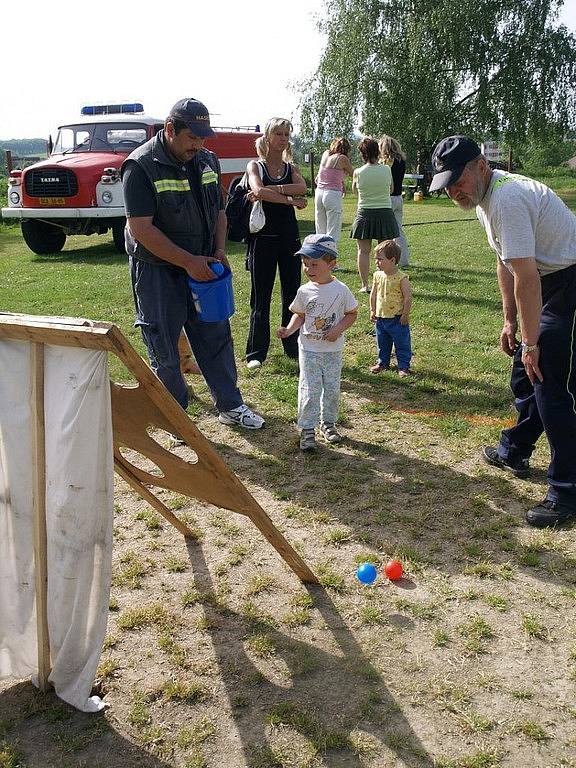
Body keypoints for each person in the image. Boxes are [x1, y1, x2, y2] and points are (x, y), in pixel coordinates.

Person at [429, 134, 576, 528]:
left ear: (481, 166)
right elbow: (505, 262)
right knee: (523, 375)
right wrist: (510, 321)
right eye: (447, 187)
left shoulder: (507, 199)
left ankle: (566, 491)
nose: (454, 193)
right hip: (545, 283)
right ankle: (516, 449)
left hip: (566, 285)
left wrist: (532, 343)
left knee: (549, 384)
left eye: (457, 182)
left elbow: (527, 276)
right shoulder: (484, 200)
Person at [121, 97, 264, 430]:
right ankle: (177, 421)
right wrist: (187, 261)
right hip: (157, 270)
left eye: (203, 138)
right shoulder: (139, 167)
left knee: (215, 335)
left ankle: (231, 406)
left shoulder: (206, 162)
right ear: (170, 129)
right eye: (192, 137)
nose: (199, 145)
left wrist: (218, 250)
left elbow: (218, 211)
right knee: (165, 348)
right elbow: (141, 229)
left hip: (203, 266)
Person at [277, 234, 358, 451]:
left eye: (314, 264)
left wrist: (338, 329)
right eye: (305, 264)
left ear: (332, 264)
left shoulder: (341, 290)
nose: (308, 269)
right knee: (310, 389)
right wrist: (289, 330)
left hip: (333, 350)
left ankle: (328, 424)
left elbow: (351, 313)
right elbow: (300, 315)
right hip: (309, 350)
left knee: (331, 388)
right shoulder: (305, 291)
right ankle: (307, 429)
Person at [244, 118, 308, 370]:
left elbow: (303, 187)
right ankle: (256, 352)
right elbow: (258, 191)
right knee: (261, 297)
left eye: (286, 134)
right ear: (268, 137)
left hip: (289, 238)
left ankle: (292, 346)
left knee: (292, 295)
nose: (283, 138)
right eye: (279, 134)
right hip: (263, 240)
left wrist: (277, 190)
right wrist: (291, 200)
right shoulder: (255, 165)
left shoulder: (289, 167)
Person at [351, 137, 399, 293]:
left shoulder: (358, 172)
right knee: (386, 251)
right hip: (385, 212)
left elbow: (354, 190)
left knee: (363, 251)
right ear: (377, 152)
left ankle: (365, 285)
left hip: (364, 213)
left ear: (362, 154)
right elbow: (391, 189)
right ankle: (386, 282)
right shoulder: (386, 169)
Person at [369, 240, 412, 376]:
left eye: (380, 259)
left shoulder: (401, 278)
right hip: (381, 318)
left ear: (392, 260)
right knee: (382, 342)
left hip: (397, 319)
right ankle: (383, 362)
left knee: (402, 343)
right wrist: (372, 310)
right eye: (375, 259)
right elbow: (374, 294)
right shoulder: (377, 275)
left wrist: (405, 314)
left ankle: (403, 366)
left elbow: (407, 297)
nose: (376, 262)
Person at [315, 137, 354, 242]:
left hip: (319, 192)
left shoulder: (326, 154)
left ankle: (320, 256)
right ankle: (330, 256)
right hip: (332, 194)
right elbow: (353, 174)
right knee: (333, 230)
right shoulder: (342, 158)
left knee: (320, 230)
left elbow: (318, 177)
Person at [379, 135, 410, 267]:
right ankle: (403, 260)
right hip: (398, 198)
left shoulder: (386, 163)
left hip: (388, 199)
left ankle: (385, 259)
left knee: (385, 233)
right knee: (398, 231)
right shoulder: (401, 161)